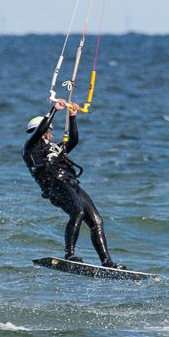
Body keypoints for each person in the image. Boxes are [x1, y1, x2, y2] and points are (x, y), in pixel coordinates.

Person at [22, 100, 125, 269]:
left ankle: (107, 262)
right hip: (54, 185)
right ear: (45, 130)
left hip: (72, 184)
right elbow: (40, 129)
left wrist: (72, 116)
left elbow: (73, 141)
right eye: (48, 131)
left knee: (97, 221)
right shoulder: (30, 146)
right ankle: (69, 254)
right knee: (77, 212)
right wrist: (53, 110)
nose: (50, 134)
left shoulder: (54, 147)